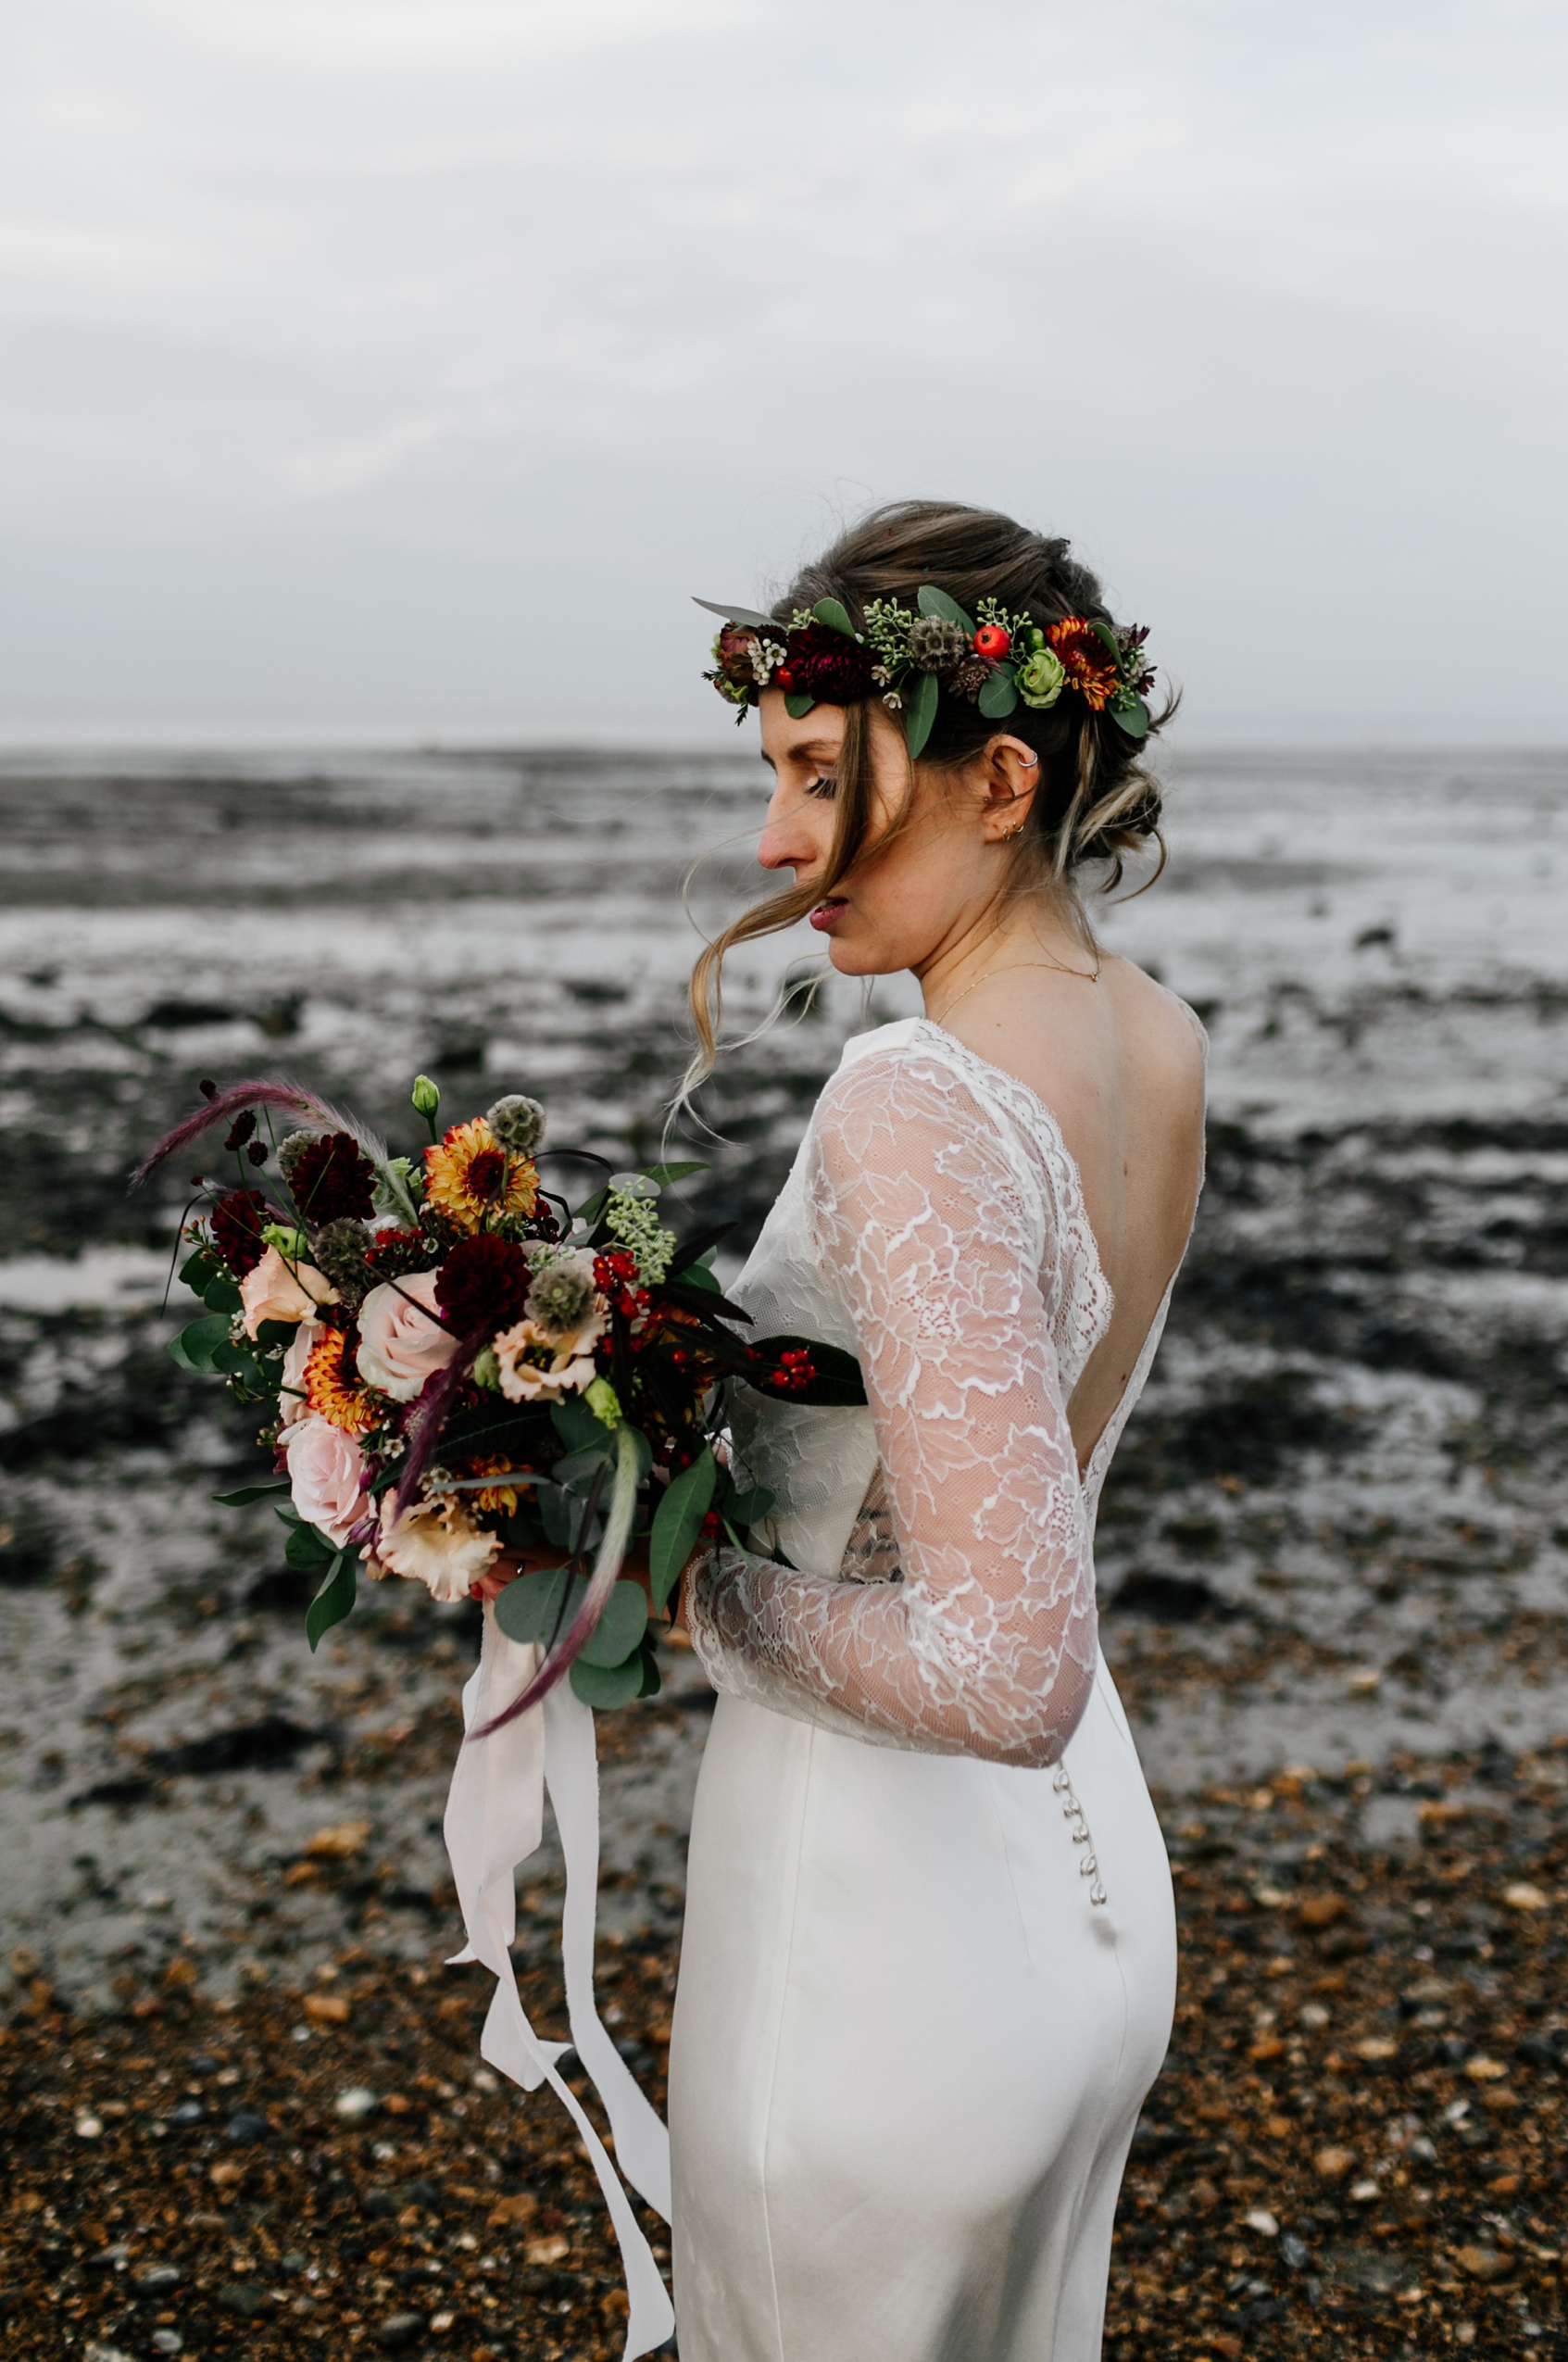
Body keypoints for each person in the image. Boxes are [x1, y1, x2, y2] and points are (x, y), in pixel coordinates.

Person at [664, 499, 1208, 2362]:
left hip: (876, 1943)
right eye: (773, 775)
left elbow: (999, 1664)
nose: (773, 840)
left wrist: (673, 1592)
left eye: (820, 770)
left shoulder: (916, 1095)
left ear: (996, 776)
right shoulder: (1152, 1040)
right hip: (1086, 1908)